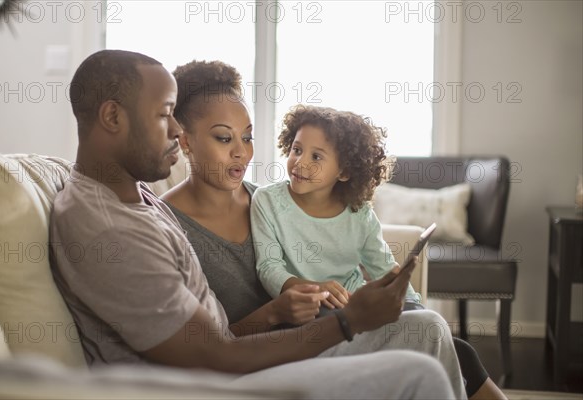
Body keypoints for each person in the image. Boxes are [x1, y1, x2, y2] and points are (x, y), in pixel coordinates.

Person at [50, 49, 459, 400]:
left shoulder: (135, 198)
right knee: (420, 368)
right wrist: (349, 322)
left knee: (426, 328)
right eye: (165, 116)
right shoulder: (106, 230)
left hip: (241, 362)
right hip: (211, 386)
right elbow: (212, 356)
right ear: (112, 117)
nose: (177, 131)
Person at [161, 60, 506, 400]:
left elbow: (334, 226)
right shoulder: (168, 227)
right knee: (432, 335)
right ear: (185, 141)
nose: (242, 152)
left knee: (433, 331)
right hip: (265, 361)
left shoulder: (262, 198)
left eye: (248, 137)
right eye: (224, 138)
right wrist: (274, 312)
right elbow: (203, 348)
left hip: (319, 334)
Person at [250, 104, 421, 311]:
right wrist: (317, 290)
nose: (300, 162)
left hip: (354, 306)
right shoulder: (267, 201)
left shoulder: (360, 214)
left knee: (430, 322)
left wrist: (413, 306)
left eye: (316, 157)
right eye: (297, 150)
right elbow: (269, 269)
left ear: (344, 172)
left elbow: (384, 269)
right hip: (304, 313)